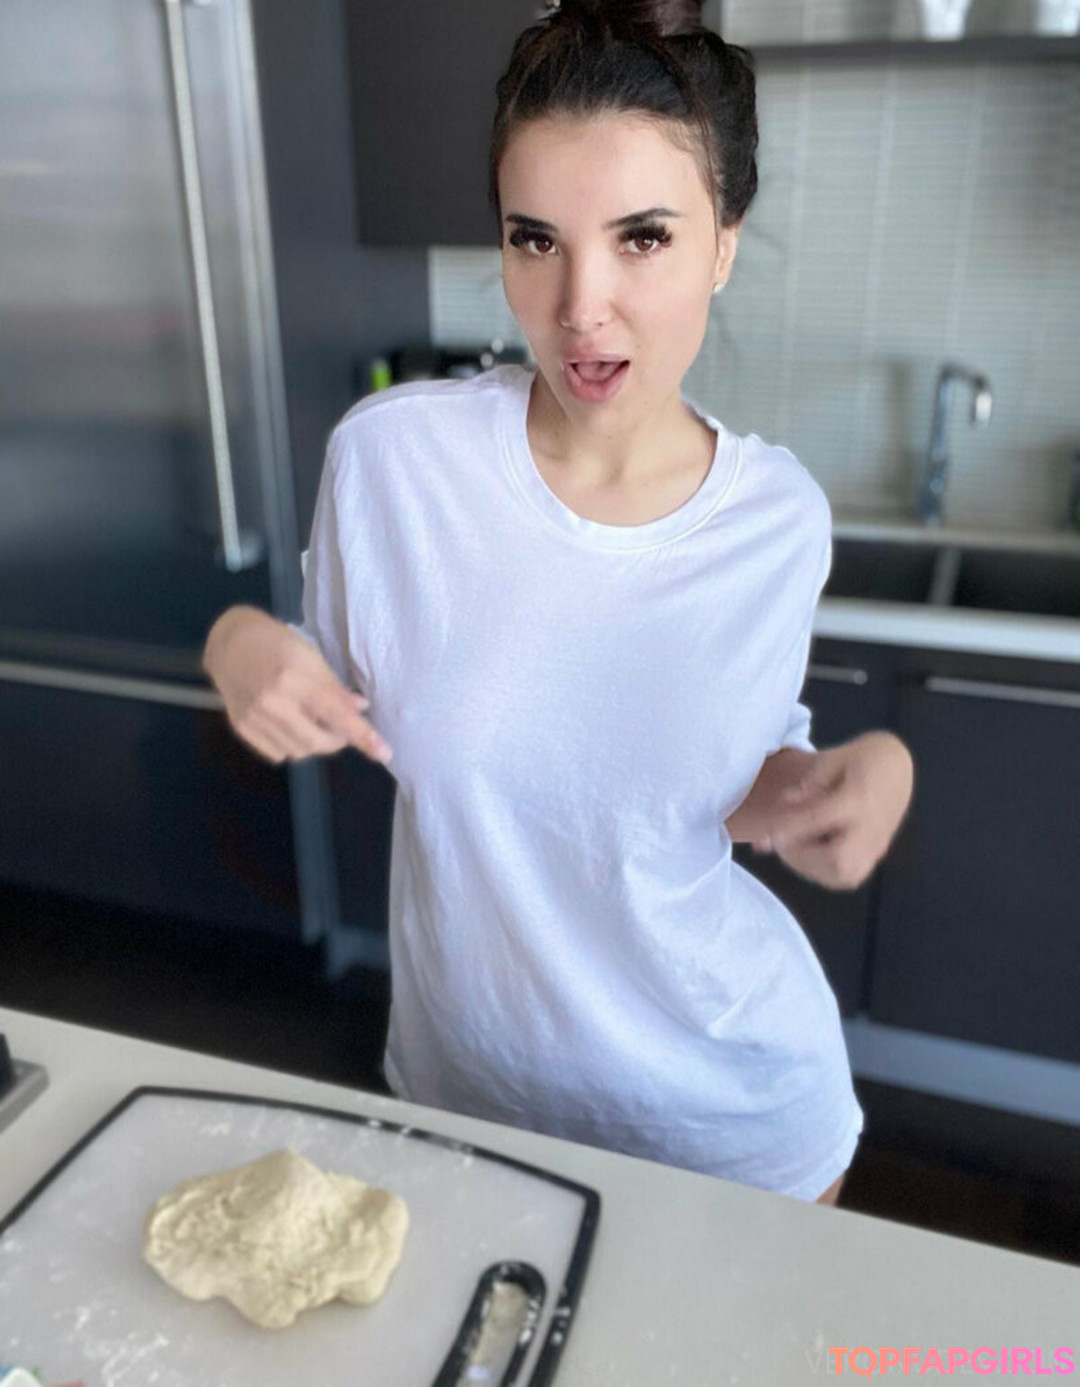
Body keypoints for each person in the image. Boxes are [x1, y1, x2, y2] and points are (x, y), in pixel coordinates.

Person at [202, 0, 914, 1205]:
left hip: (734, 1126)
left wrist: (854, 776)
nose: (581, 304)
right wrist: (235, 641)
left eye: (644, 238)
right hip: (467, 1100)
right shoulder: (394, 461)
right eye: (535, 239)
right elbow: (317, 669)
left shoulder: (778, 518)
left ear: (724, 244)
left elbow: (717, 794)